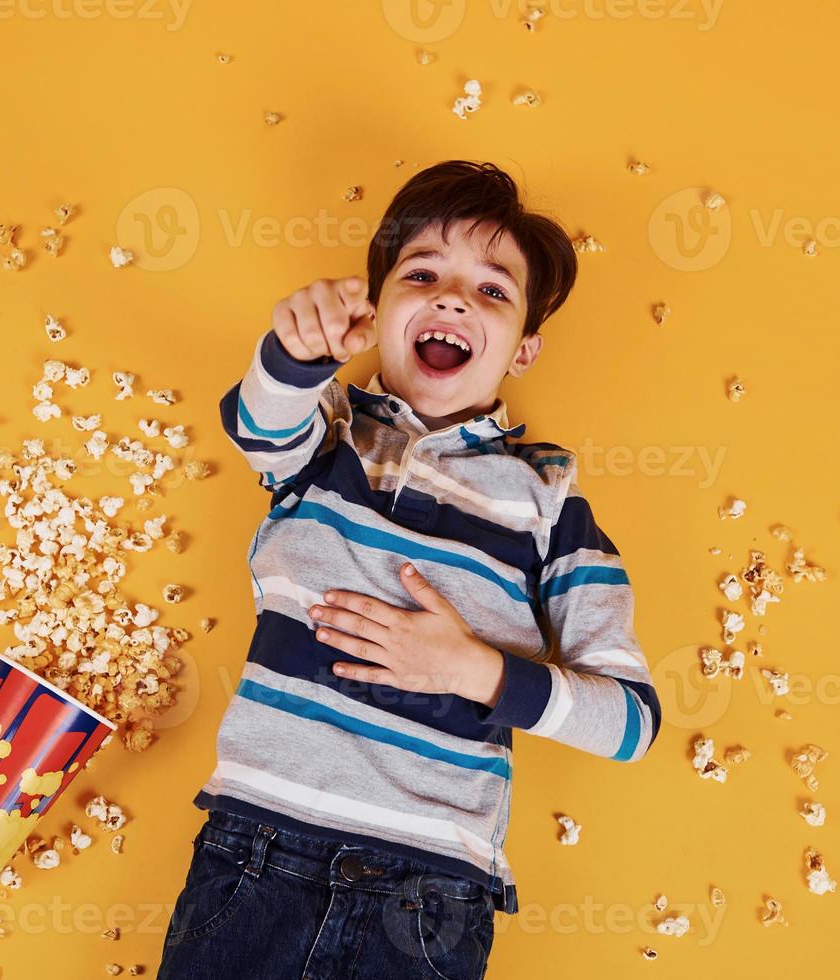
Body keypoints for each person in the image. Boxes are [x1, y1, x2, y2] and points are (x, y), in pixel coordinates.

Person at [155, 160, 661, 979]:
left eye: (493, 291)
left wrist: (476, 671)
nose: (452, 298)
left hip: (426, 903)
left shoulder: (550, 506)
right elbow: (257, 421)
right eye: (421, 275)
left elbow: (631, 722)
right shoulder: (323, 441)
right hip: (254, 859)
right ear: (376, 311)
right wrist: (294, 349)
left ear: (524, 348)